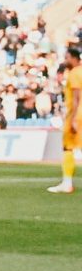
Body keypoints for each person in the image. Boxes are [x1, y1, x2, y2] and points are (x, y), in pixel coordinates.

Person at [53, 47, 79, 194]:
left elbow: (76, 97)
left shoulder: (75, 73)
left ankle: (67, 183)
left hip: (76, 115)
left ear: (74, 58)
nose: (65, 60)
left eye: (67, 57)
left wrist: (73, 118)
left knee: (68, 148)